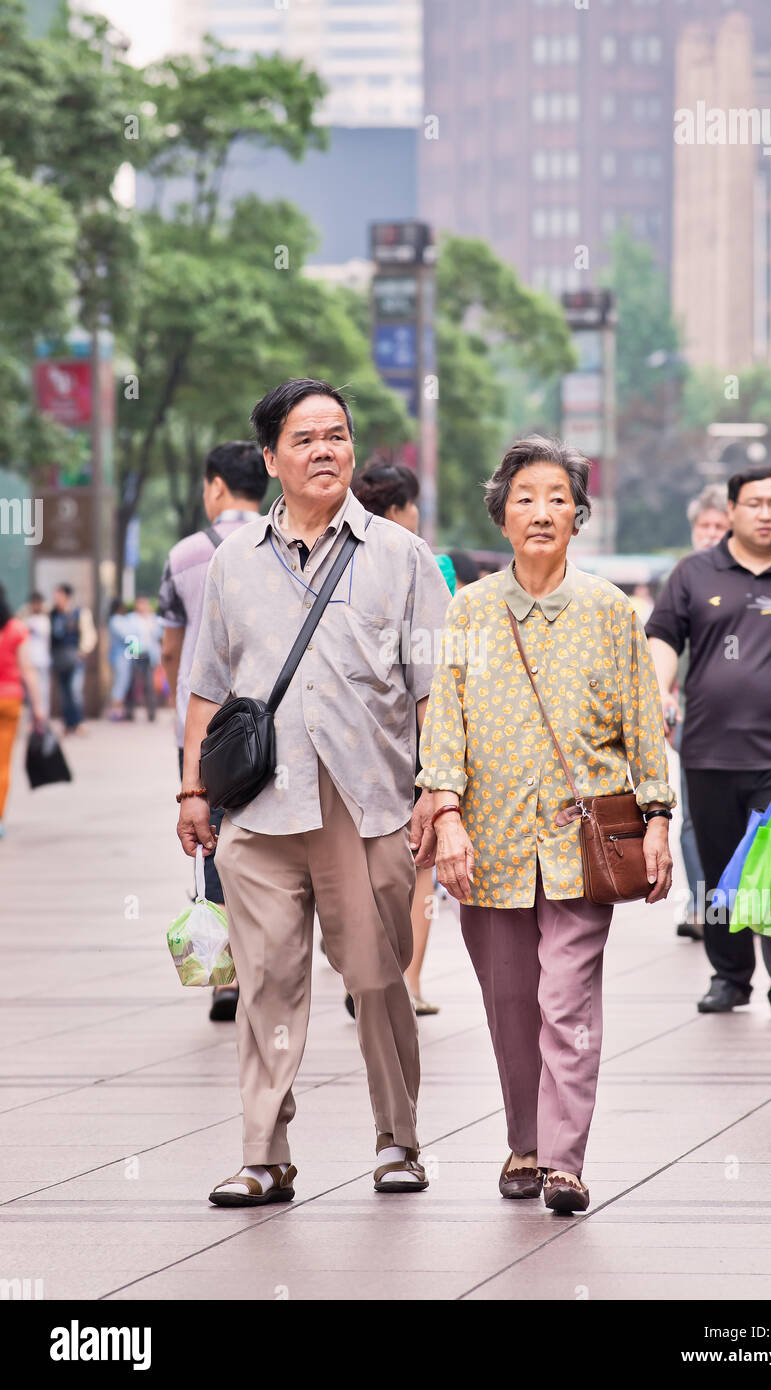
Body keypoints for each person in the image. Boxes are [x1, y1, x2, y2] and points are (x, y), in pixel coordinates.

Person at [178, 379, 451, 1205]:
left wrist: (436, 795)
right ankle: (265, 1154)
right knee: (264, 984)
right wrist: (192, 792)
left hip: (363, 804)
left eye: (337, 435)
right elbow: (207, 688)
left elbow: (437, 686)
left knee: (375, 979)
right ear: (271, 459)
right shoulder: (233, 562)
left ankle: (398, 1140)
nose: (325, 450)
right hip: (259, 810)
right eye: (304, 439)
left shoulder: (400, 558)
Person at [417, 436, 675, 1212]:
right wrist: (447, 816)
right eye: (526, 497)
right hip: (487, 848)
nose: (541, 511)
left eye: (557, 497)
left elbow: (643, 723)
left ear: (578, 515)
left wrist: (658, 818)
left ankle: (564, 1161)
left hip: (582, 844)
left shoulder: (608, 612)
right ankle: (522, 1145)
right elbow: (445, 729)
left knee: (567, 999)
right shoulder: (469, 610)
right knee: (510, 1007)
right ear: (502, 514)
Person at [646, 466, 771, 1017]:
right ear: (733, 510)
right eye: (754, 503)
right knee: (719, 870)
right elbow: (663, 638)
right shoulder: (695, 573)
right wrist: (661, 688)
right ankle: (730, 977)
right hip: (708, 750)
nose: (765, 513)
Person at [158, 440, 269, 1023]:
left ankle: (224, 976)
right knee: (275, 840)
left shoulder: (183, 557)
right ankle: (274, 958)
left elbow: (172, 644)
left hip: (201, 730)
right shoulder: (282, 545)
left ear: (217, 486)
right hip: (267, 729)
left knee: (211, 843)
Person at [351, 459, 444, 1016]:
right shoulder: (428, 565)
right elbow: (443, 670)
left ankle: (359, 974)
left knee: (353, 865)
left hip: (349, 745)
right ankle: (406, 983)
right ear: (397, 510)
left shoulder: (331, 563)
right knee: (418, 867)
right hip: (408, 745)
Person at [666, 485, 730, 940]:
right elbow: (661, 645)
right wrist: (664, 698)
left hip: (748, 722)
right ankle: (703, 905)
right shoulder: (683, 578)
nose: (710, 534)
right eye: (704, 527)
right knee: (692, 816)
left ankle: (738, 903)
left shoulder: (744, 577)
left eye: (718, 527)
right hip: (690, 715)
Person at [0, 585, 48, 838]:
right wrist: (39, 707)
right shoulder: (16, 629)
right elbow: (28, 670)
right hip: (9, 700)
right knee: (2, 763)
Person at [49, 585, 96, 735]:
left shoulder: (79, 613)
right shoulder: (52, 614)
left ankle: (78, 722)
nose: (57, 599)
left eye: (60, 596)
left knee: (75, 691)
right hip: (59, 658)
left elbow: (89, 634)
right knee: (64, 693)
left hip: (74, 657)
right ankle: (68, 724)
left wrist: (82, 651)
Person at [19, 592, 52, 719]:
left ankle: (43, 719)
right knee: (29, 694)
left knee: (43, 691)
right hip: (28, 662)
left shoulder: (45, 620)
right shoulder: (25, 620)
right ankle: (32, 720)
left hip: (42, 661)